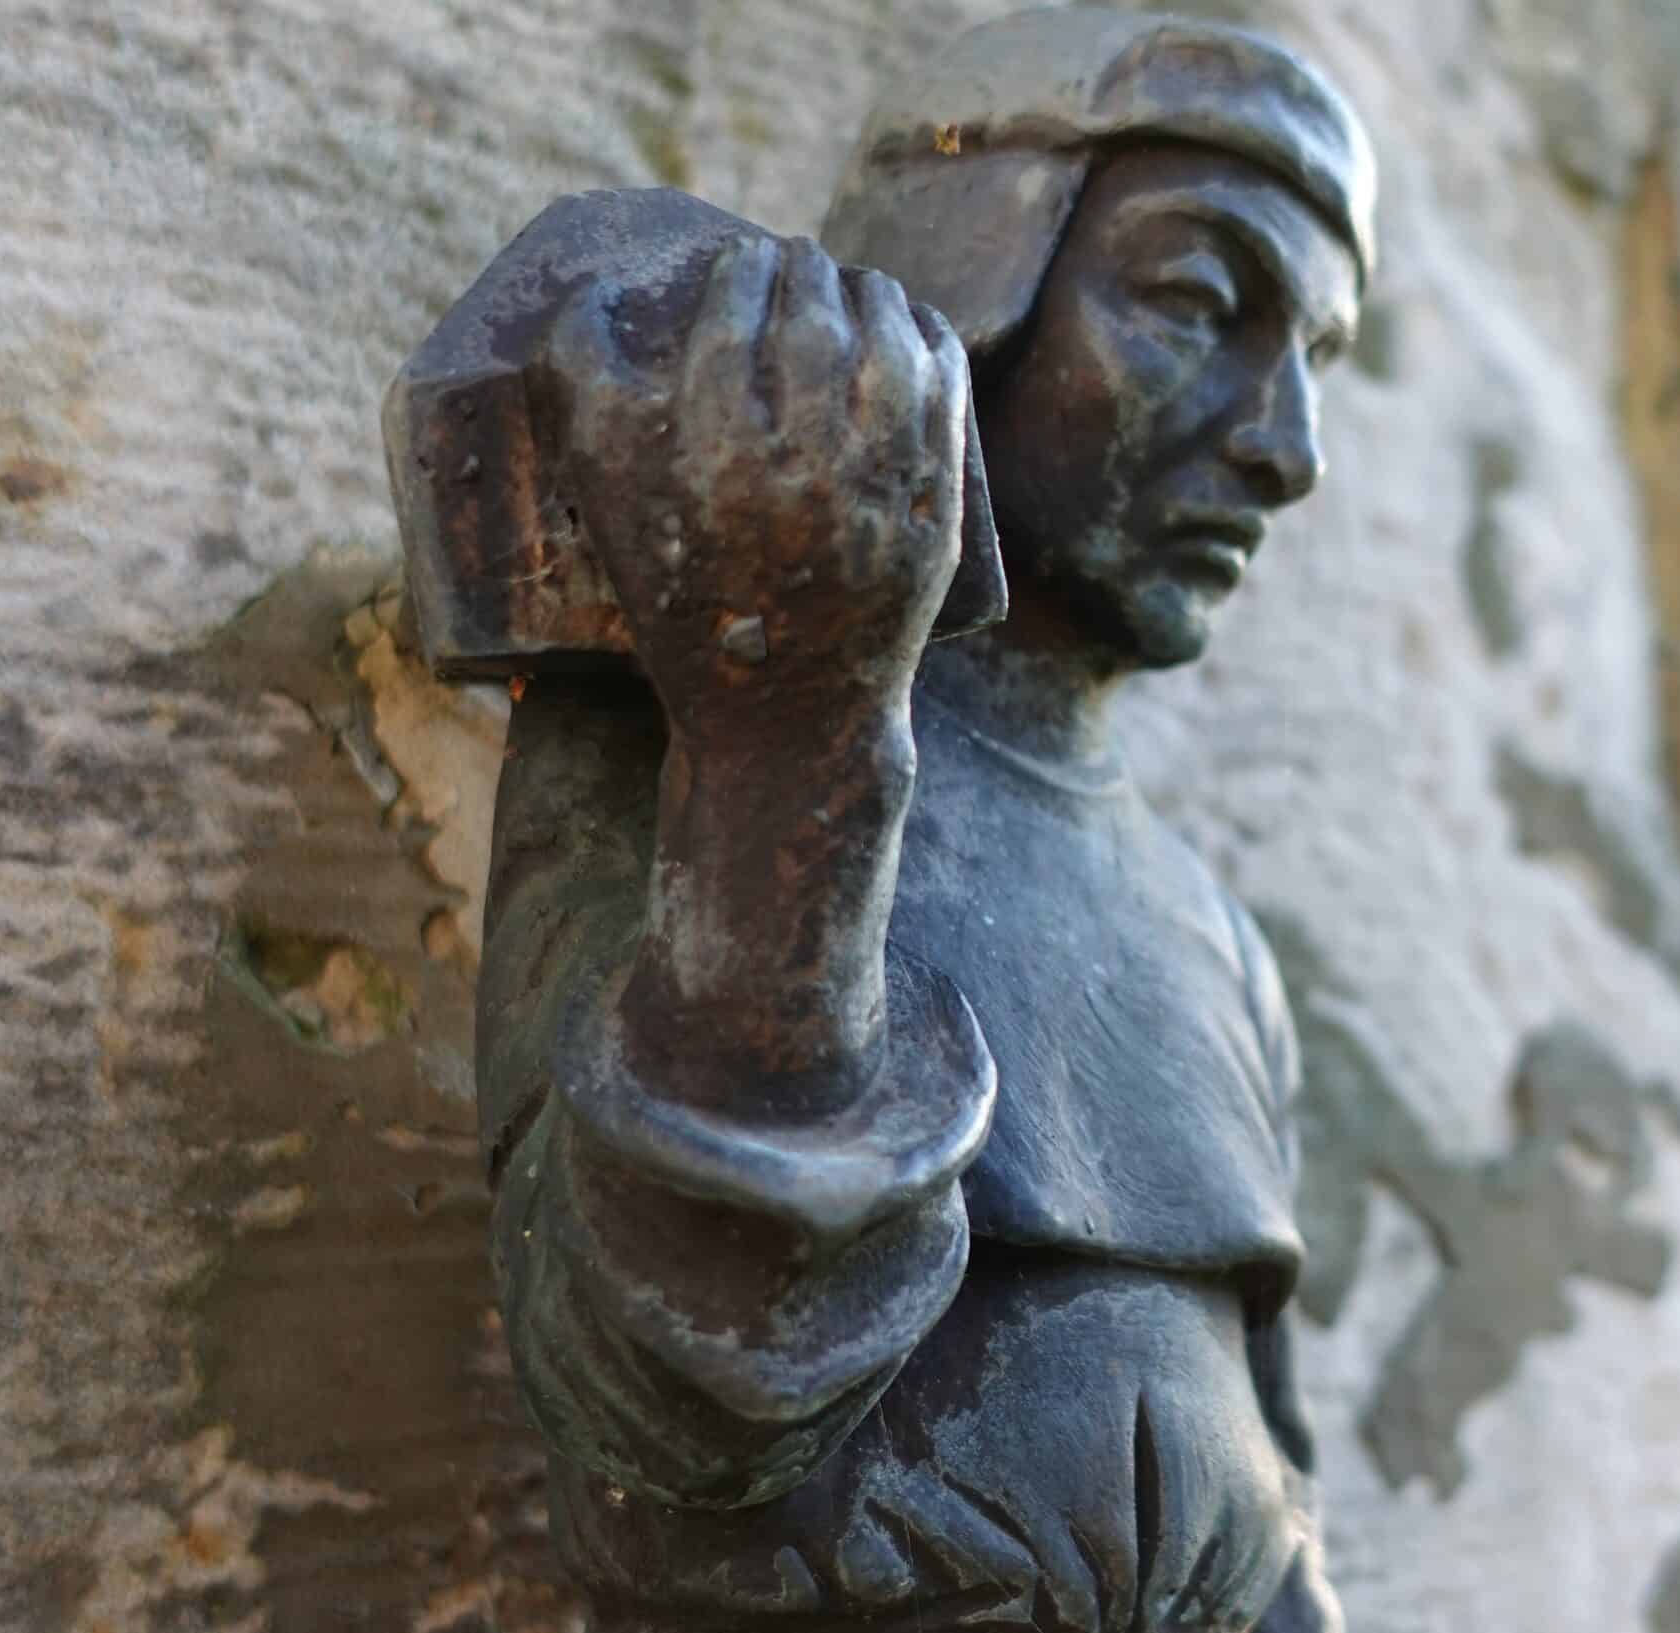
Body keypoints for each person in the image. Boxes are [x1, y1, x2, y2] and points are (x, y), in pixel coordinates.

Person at [470, 12, 1373, 1629]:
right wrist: (791, 748)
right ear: (958, 290)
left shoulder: (1213, 943)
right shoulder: (689, 749)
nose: (1288, 444)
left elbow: (1268, 1483)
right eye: (1194, 300)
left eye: (1324, 352)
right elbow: (668, 1399)